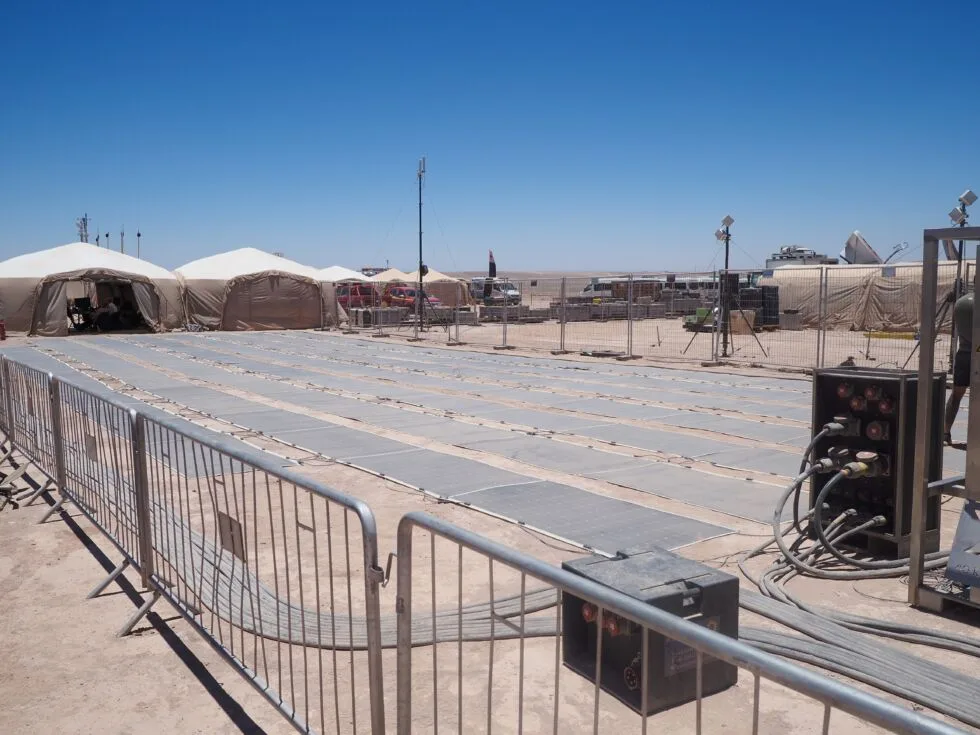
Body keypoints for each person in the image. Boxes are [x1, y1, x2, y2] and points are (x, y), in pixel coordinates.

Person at [945, 291, 974, 444]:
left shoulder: (961, 303)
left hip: (963, 353)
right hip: (978, 353)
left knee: (956, 395)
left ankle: (945, 432)